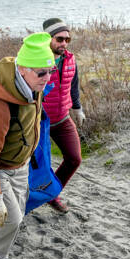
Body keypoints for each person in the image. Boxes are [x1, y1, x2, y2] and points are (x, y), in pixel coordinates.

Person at [0, 32, 55, 259]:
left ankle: (0, 257)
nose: (47, 78)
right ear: (22, 68)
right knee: (10, 217)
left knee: (16, 216)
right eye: (41, 73)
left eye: (50, 71)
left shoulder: (32, 85)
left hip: (20, 164)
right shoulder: (1, 104)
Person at [42, 18, 85, 214]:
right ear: (48, 38)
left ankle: (51, 194)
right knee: (33, 164)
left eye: (68, 39)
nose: (64, 43)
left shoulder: (70, 58)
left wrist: (77, 108)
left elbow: (72, 85)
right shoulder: (37, 59)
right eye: (60, 39)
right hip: (38, 121)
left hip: (62, 119)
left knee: (74, 159)